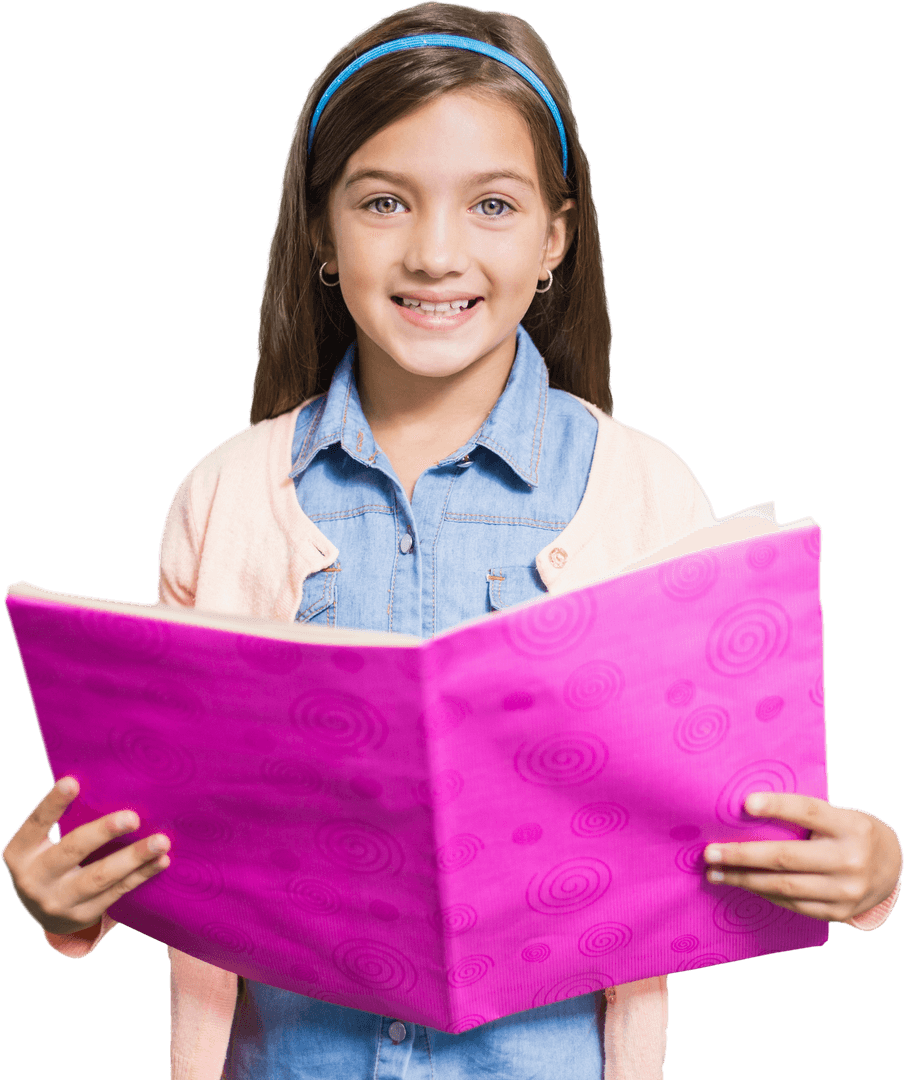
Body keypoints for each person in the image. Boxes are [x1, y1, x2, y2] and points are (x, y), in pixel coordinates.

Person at [2, 4, 902, 1078]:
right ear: (322, 231)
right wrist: (69, 903)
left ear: (552, 238)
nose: (435, 253)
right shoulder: (225, 497)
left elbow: (714, 827)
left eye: (490, 204)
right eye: (383, 201)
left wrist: (868, 872)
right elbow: (173, 833)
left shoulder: (646, 493)